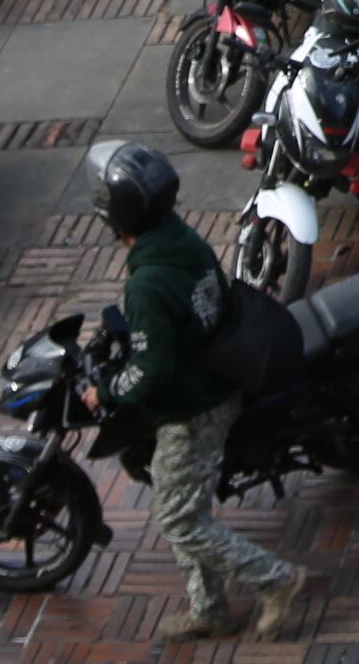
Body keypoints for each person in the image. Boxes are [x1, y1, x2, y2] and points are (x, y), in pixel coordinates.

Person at [88, 143, 317, 635]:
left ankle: (274, 580)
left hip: (193, 408)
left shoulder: (146, 284)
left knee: (178, 520)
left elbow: (151, 369)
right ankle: (209, 610)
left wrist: (105, 391)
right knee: (182, 505)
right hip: (220, 369)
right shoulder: (178, 238)